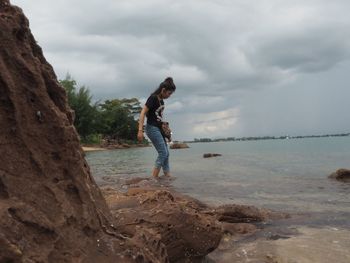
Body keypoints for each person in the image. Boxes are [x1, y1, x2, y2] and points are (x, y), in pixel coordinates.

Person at [138, 77, 176, 178]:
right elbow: (143, 112)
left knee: (166, 153)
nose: (169, 96)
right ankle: (154, 178)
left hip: (158, 129)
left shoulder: (161, 102)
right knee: (163, 152)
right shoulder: (153, 98)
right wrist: (140, 130)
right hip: (151, 128)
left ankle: (167, 176)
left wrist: (165, 127)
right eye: (169, 93)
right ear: (163, 90)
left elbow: (158, 117)